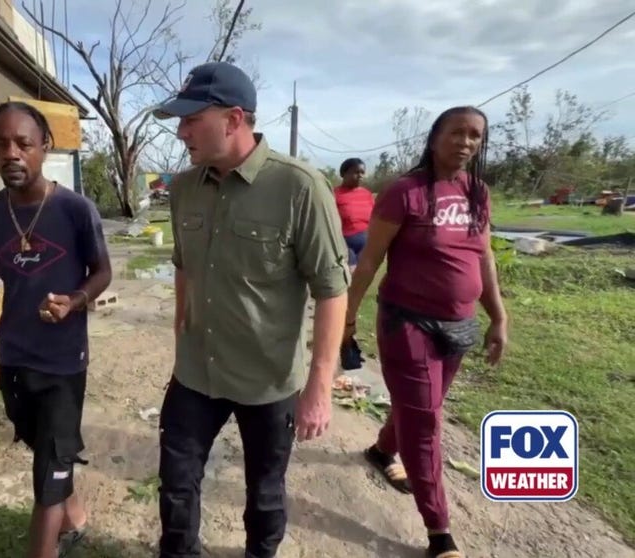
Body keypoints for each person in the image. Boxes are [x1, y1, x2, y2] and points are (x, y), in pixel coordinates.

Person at [152, 61, 351, 558]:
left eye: (191, 120)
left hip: (269, 380)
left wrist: (319, 388)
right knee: (176, 487)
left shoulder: (300, 187)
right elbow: (183, 265)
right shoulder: (183, 188)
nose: (182, 132)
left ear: (234, 118)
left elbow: (332, 289)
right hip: (197, 372)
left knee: (264, 495)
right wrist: (181, 330)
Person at [0, 101, 113, 558]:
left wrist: (75, 301)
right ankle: (75, 515)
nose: (11, 153)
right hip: (14, 357)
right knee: (43, 447)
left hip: (62, 362)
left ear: (45, 147)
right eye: (1, 143)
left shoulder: (76, 210)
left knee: (48, 474)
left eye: (23, 143)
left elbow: (102, 273)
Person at [343, 106, 508, 558]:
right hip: (407, 323)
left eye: (476, 135)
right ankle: (440, 534)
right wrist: (349, 318)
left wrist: (498, 315)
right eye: (456, 132)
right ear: (435, 137)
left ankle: (380, 452)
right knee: (426, 423)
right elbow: (370, 260)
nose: (466, 142)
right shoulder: (406, 192)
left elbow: (484, 256)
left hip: (459, 324)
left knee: (422, 407)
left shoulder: (478, 192)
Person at [332, 157, 375, 271]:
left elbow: (374, 218)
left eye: (362, 172)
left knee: (361, 278)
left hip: (365, 244)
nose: (360, 175)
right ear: (343, 173)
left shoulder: (367, 194)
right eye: (356, 172)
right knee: (349, 276)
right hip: (344, 244)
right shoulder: (333, 195)